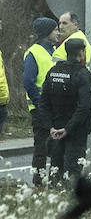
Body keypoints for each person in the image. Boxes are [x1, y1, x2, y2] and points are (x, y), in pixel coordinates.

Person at [46, 37, 91, 183]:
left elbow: (44, 103)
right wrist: (68, 129)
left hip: (55, 129)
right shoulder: (83, 74)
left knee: (55, 171)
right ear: (81, 53)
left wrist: (50, 127)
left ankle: (52, 202)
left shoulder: (53, 71)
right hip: (75, 132)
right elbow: (84, 107)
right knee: (73, 174)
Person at [23, 17, 60, 185]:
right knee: (42, 148)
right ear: (46, 33)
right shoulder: (33, 53)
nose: (58, 32)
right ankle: (38, 183)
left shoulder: (56, 52)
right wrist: (39, 104)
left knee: (57, 147)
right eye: (55, 30)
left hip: (56, 108)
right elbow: (28, 82)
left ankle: (55, 181)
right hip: (40, 109)